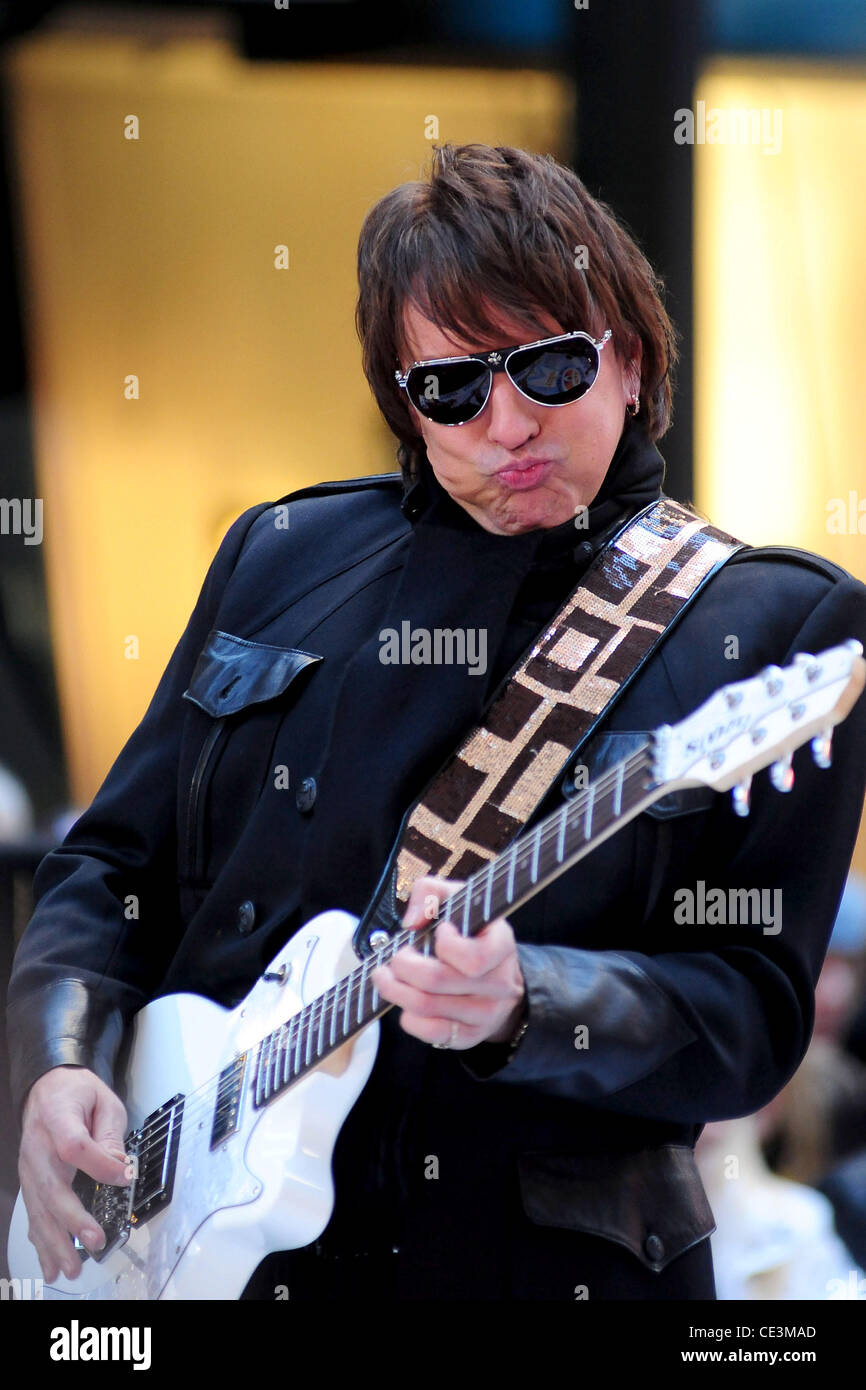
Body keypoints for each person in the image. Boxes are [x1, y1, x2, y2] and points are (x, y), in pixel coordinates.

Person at [8, 143, 866, 1302]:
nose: (505, 424)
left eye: (548, 369)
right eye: (452, 389)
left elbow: (750, 1014)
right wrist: (55, 1062)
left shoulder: (767, 621)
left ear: (627, 357)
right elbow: (109, 866)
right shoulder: (280, 555)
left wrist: (530, 998)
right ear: (404, 407)